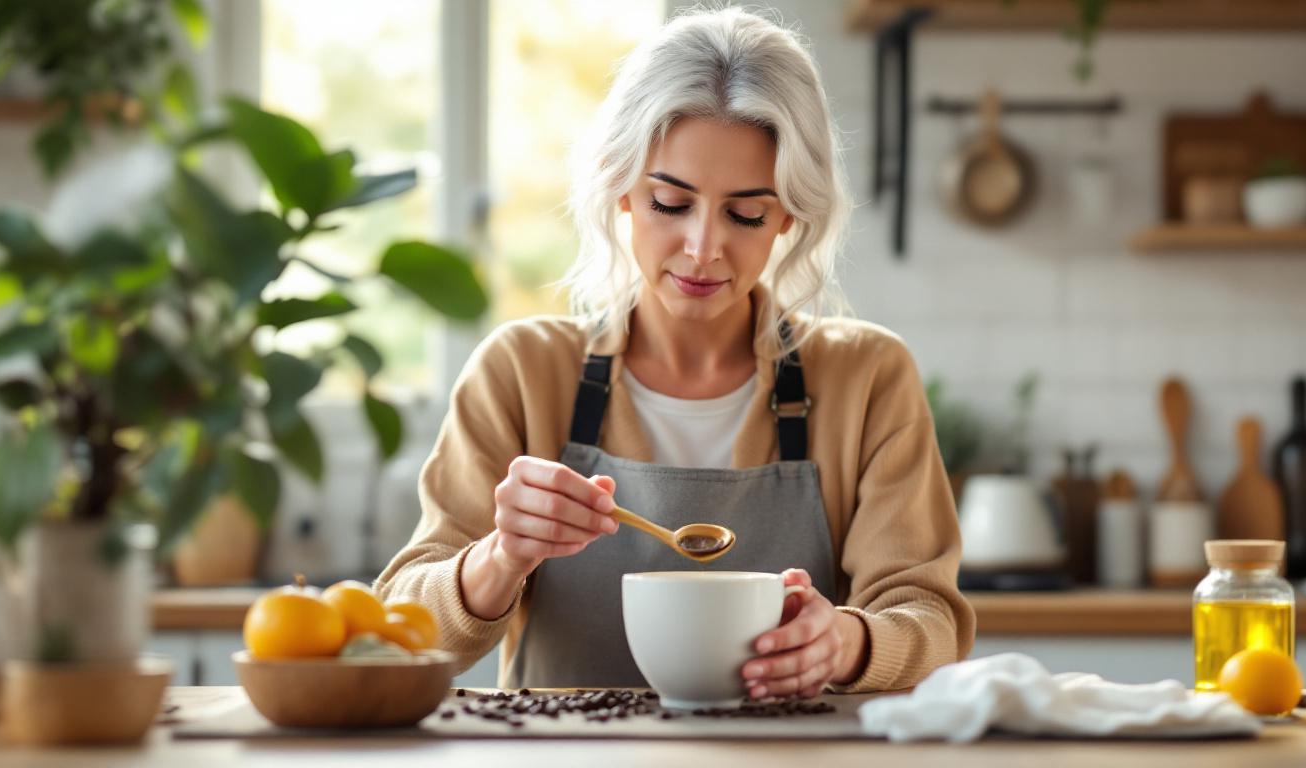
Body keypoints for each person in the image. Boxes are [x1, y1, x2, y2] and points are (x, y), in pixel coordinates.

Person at [377, 7, 974, 697]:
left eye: (746, 213)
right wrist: (499, 557)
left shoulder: (868, 377)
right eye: (670, 202)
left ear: (788, 213)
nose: (702, 247)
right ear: (621, 186)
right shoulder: (520, 371)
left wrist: (846, 643)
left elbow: (930, 621)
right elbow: (399, 631)